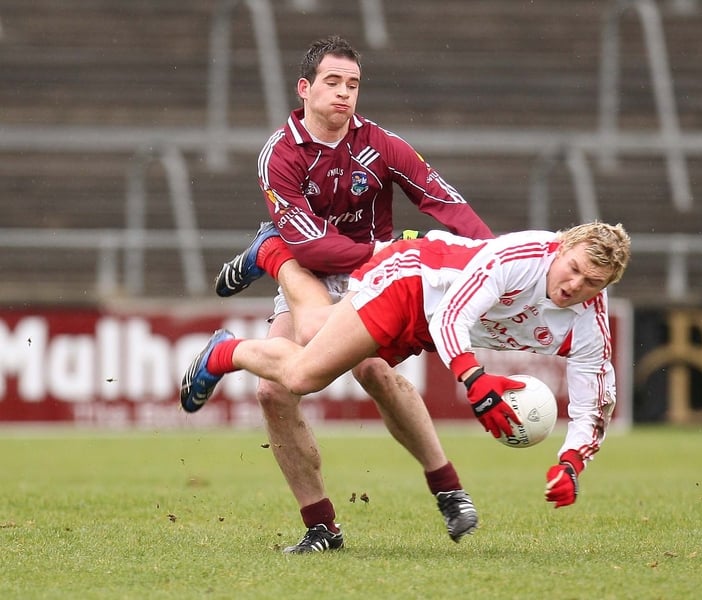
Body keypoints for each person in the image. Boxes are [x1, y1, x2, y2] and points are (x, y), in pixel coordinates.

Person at [196, 35, 494, 553]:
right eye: (332, 82)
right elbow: (311, 244)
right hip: (309, 269)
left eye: (353, 84)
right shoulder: (280, 154)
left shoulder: (380, 144)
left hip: (368, 279)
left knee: (374, 371)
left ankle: (448, 490)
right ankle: (321, 527)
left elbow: (443, 201)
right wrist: (389, 250)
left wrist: (496, 257)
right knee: (273, 392)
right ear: (305, 88)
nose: (344, 94)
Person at [182, 221, 632, 526]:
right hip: (412, 278)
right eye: (574, 269)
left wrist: (573, 463)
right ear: (563, 247)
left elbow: (595, 401)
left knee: (342, 351)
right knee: (302, 376)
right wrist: (476, 382)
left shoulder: (588, 320)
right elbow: (453, 315)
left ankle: (274, 254)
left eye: (592, 283)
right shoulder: (524, 255)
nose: (576, 285)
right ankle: (230, 345)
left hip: (429, 323)